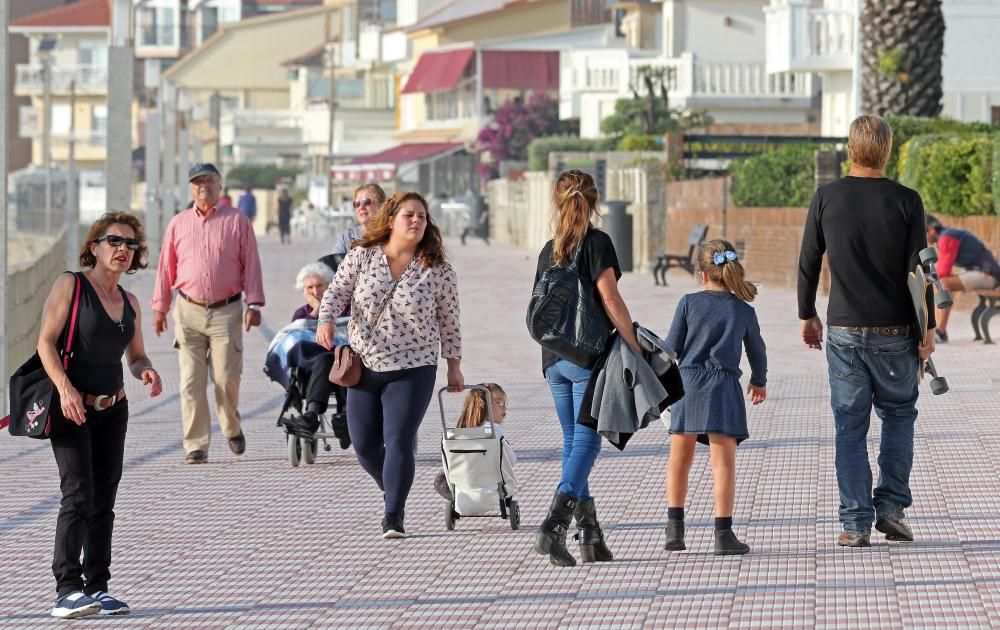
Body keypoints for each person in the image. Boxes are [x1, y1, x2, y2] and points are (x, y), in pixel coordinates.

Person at [798, 115, 936, 548]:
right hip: (897, 328)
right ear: (887, 150)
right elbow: (921, 270)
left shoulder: (826, 197)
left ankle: (855, 524)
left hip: (842, 329)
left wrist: (807, 314)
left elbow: (808, 261)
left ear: (850, 148)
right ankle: (891, 509)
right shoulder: (907, 200)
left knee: (849, 427)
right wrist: (927, 329)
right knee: (898, 417)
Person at [316, 191, 464, 539]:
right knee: (364, 444)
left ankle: (393, 513)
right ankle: (394, 485)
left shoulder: (438, 270)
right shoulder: (362, 255)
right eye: (409, 215)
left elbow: (450, 321)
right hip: (364, 364)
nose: (416, 221)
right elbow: (336, 291)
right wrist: (325, 320)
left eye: (422, 217)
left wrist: (453, 365)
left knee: (398, 439)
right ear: (391, 219)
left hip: (415, 367)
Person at [37, 212, 163, 618]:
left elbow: (136, 352)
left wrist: (145, 369)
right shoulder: (71, 285)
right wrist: (65, 388)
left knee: (104, 500)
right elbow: (45, 343)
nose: (123, 250)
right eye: (114, 241)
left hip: (114, 410)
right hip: (72, 407)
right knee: (78, 493)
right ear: (94, 246)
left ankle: (99, 586)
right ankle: (67, 589)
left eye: (131, 245)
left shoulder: (129, 302)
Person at [532, 169, 643, 567]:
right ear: (594, 200)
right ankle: (554, 525)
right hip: (585, 360)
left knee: (572, 443)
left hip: (552, 360)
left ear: (556, 202)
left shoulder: (550, 249)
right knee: (588, 442)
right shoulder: (598, 242)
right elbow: (610, 299)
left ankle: (591, 536)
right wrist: (634, 345)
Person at [152, 162, 265, 465]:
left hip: (226, 311)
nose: (203, 186)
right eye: (197, 182)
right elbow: (166, 267)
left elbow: (251, 264)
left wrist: (254, 304)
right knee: (190, 382)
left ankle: (231, 426)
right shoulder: (177, 223)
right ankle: (196, 444)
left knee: (227, 377)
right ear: (190, 188)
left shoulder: (237, 222)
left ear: (219, 186)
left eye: (209, 181)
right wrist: (160, 307)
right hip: (187, 310)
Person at [663, 239, 767, 556]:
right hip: (724, 389)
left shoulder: (687, 303)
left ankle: (675, 531)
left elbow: (671, 349)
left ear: (701, 273)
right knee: (723, 465)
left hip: (688, 386)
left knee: (679, 461)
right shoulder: (743, 310)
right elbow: (757, 352)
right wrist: (758, 382)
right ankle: (723, 535)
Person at [283, 261, 351, 449]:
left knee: (336, 358)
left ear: (330, 285)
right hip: (312, 367)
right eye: (309, 287)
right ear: (303, 291)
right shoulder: (301, 314)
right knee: (324, 360)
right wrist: (315, 311)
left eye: (319, 285)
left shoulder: (346, 308)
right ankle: (311, 416)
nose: (315, 291)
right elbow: (295, 343)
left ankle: (345, 414)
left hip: (345, 363)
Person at [924, 214, 1000, 342]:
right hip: (984, 273)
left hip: (989, 275)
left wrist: (924, 279)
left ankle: (941, 333)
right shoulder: (948, 235)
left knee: (944, 284)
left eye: (924, 233)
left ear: (931, 229)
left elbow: (943, 271)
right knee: (942, 283)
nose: (924, 238)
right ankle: (938, 329)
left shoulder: (947, 237)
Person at [433, 383, 513, 501]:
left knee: (442, 476)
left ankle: (457, 498)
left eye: (505, 403)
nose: (504, 407)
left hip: (462, 482)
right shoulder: (494, 431)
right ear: (484, 406)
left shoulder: (458, 433)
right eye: (500, 403)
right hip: (489, 484)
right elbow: (511, 459)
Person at [332, 183, 386, 255]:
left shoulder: (392, 236)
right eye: (357, 203)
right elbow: (333, 264)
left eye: (366, 201)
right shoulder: (347, 237)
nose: (361, 207)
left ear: (382, 205)